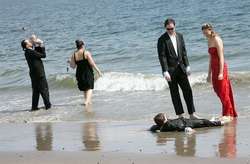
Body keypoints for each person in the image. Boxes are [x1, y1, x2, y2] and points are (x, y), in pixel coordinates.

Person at [157, 18, 199, 119]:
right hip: (170, 71)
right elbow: (162, 56)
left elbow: (184, 52)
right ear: (165, 28)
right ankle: (180, 115)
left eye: (172, 28)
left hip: (182, 68)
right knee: (174, 93)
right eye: (168, 29)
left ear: (175, 26)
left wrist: (187, 65)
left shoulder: (180, 36)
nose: (170, 30)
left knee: (188, 90)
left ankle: (192, 114)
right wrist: (165, 71)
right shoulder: (162, 39)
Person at [201, 23, 237, 121]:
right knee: (217, 90)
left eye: (205, 32)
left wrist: (221, 72)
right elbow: (210, 58)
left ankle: (228, 114)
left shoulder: (217, 39)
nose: (204, 34)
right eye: (203, 33)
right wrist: (209, 74)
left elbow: (221, 57)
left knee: (223, 91)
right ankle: (227, 112)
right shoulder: (209, 40)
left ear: (210, 29)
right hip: (214, 68)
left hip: (221, 68)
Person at [21, 39, 51, 111]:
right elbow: (43, 55)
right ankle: (48, 106)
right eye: (29, 42)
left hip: (34, 74)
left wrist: (37, 45)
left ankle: (34, 107)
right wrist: (42, 45)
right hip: (39, 74)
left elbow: (37, 53)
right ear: (27, 45)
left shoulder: (28, 52)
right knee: (44, 89)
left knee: (36, 91)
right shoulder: (30, 52)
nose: (31, 42)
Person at [69, 40, 102, 106]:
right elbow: (92, 63)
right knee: (90, 87)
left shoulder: (74, 55)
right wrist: (98, 71)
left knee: (84, 88)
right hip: (87, 72)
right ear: (83, 45)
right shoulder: (86, 53)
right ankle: (86, 101)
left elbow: (73, 66)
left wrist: (69, 62)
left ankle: (88, 102)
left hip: (79, 73)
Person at [150, 113, 225, 133]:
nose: (166, 115)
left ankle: (214, 120)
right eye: (165, 116)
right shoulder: (170, 125)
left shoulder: (161, 126)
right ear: (164, 120)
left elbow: (153, 128)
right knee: (204, 122)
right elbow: (180, 127)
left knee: (204, 121)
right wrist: (188, 129)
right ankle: (220, 122)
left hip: (186, 121)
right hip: (188, 124)